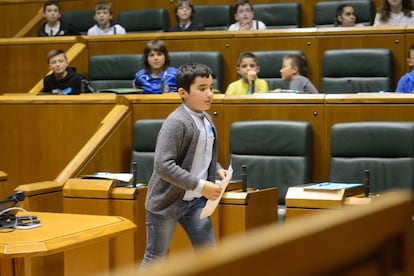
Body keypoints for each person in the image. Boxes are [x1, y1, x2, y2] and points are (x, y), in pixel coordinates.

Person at [140, 63, 227, 268]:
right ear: (183, 92)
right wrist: (201, 185)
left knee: (209, 256)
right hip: (167, 203)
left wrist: (216, 168)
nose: (209, 94)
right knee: (155, 258)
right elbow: (163, 165)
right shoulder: (177, 122)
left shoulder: (206, 118)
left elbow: (201, 152)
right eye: (202, 88)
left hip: (195, 203)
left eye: (211, 87)